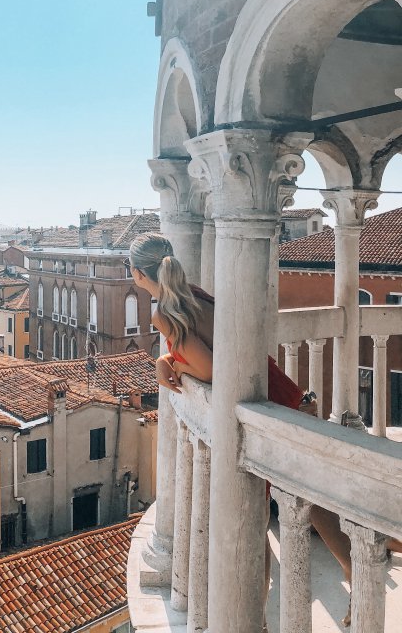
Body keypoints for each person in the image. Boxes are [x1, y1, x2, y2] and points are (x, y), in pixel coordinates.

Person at [127, 231, 375, 629]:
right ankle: (354, 572)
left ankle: (251, 620)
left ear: (138, 274)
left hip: (259, 412)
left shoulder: (164, 313)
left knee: (251, 523)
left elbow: (208, 368)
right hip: (280, 392)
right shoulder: (194, 293)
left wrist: (172, 364)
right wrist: (168, 356)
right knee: (310, 500)